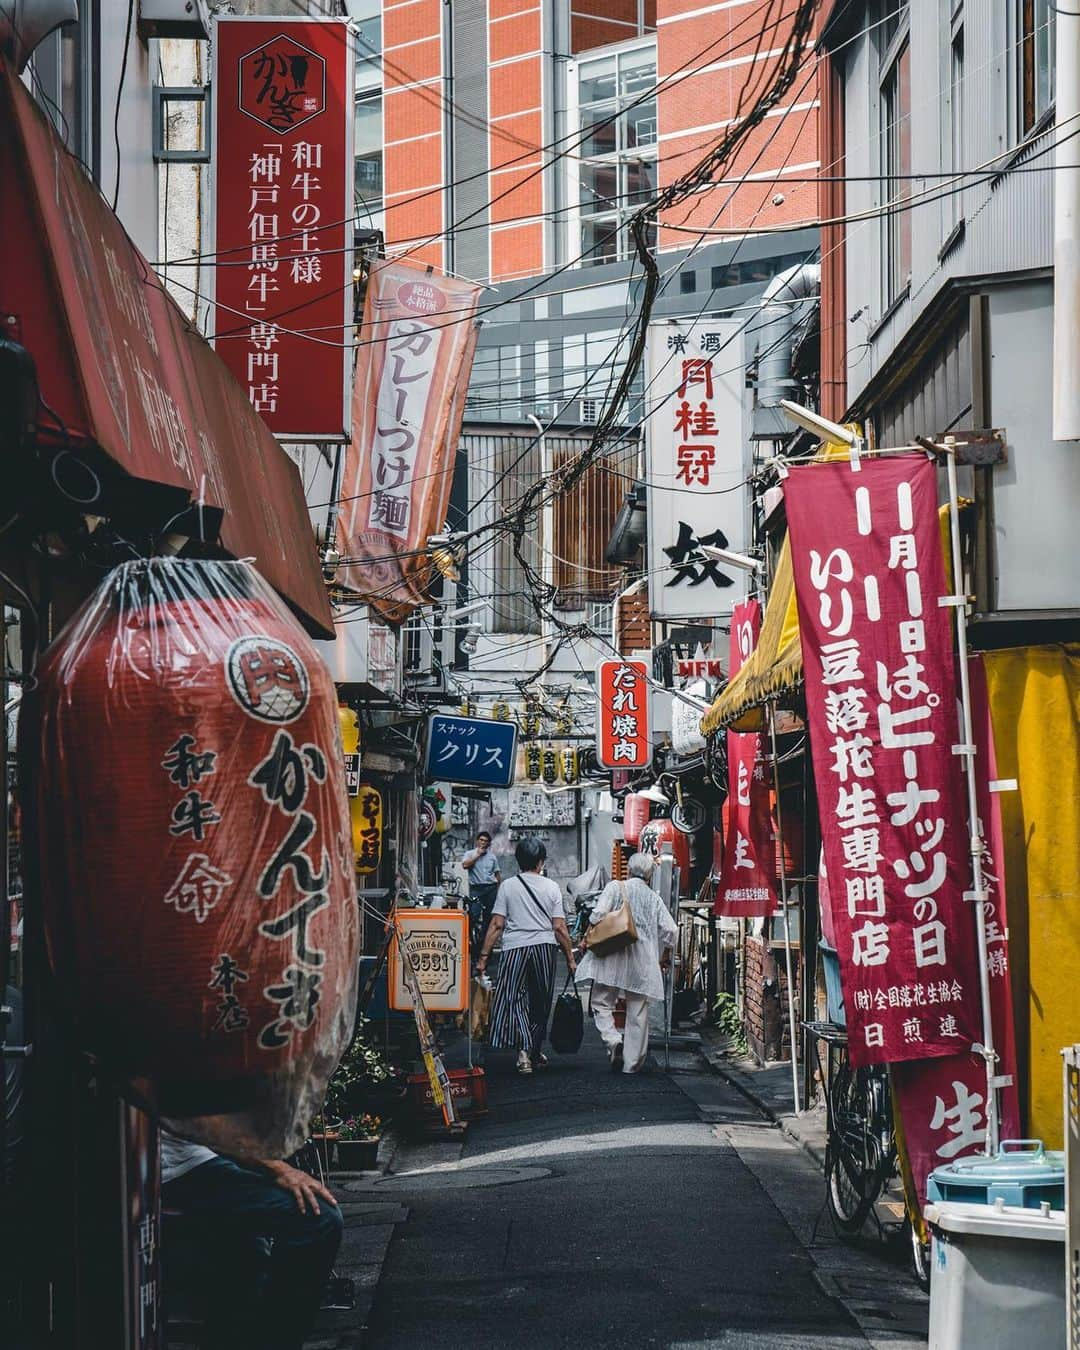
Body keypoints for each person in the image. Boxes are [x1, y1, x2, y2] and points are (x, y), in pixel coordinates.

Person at [161, 1129, 344, 1350]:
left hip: (203, 1157)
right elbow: (211, 1125)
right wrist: (279, 1169)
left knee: (249, 1256)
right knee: (319, 1218)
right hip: (179, 1169)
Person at [476, 836, 576, 1074]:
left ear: (519, 861)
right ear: (540, 862)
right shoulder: (551, 887)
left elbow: (497, 924)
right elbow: (560, 928)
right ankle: (529, 1048)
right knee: (540, 1001)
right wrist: (571, 959)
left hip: (514, 949)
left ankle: (525, 1052)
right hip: (543, 947)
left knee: (514, 998)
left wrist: (483, 957)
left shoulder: (508, 886)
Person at [574, 853, 678, 1073]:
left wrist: (587, 934)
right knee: (638, 1010)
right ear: (650, 875)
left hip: (612, 954)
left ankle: (613, 1040)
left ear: (629, 870)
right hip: (642, 960)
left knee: (601, 1002)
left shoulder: (615, 887)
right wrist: (666, 953)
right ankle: (631, 1066)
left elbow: (598, 915)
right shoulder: (653, 897)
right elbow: (671, 931)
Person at [461, 830, 502, 956]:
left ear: (489, 844)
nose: (483, 843)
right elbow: (465, 865)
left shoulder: (492, 857)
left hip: (490, 888)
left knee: (488, 918)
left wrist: (498, 889)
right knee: (473, 915)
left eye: (486, 841)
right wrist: (478, 855)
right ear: (477, 841)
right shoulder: (470, 854)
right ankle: (471, 942)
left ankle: (484, 945)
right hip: (476, 889)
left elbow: (497, 874)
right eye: (481, 840)